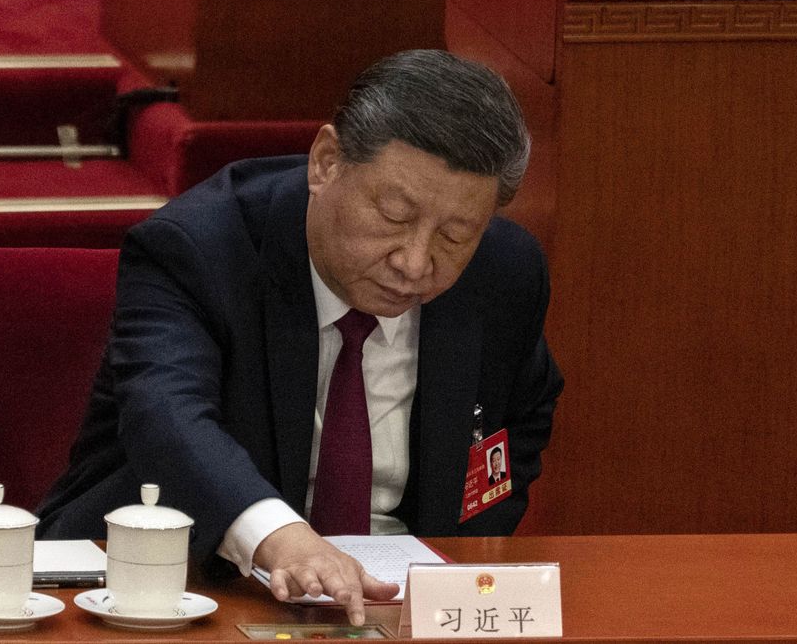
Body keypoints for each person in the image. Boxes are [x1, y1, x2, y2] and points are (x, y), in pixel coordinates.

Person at [36, 49, 563, 625]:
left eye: (455, 236)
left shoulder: (506, 273)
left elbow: (522, 419)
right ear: (326, 162)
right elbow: (165, 415)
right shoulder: (199, 249)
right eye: (393, 214)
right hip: (175, 586)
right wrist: (281, 538)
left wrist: (453, 569)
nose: (415, 263)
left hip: (392, 604)